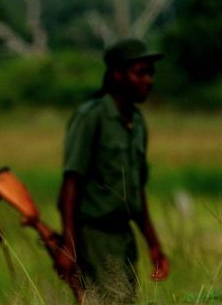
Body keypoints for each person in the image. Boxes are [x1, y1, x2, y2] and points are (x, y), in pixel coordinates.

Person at [56, 38, 170, 304]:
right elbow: (71, 182)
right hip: (94, 235)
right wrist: (69, 245)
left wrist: (153, 244)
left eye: (151, 73)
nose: (148, 80)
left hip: (124, 235)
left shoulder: (138, 122)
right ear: (118, 74)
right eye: (140, 72)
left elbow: (137, 188)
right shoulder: (92, 116)